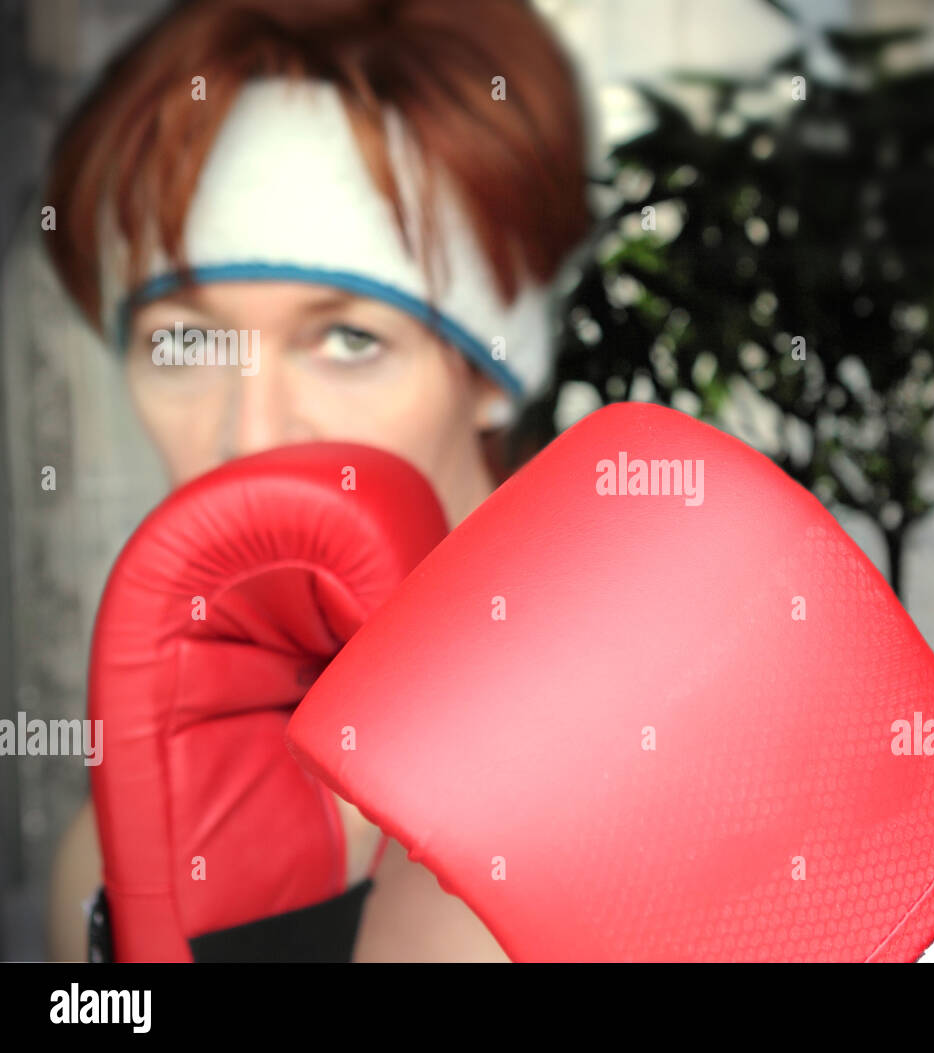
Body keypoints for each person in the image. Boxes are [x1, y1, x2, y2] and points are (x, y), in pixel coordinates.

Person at [43, 0, 593, 962]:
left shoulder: (661, 750)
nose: (249, 436)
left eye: (349, 340)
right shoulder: (116, 862)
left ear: (489, 378)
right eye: (184, 341)